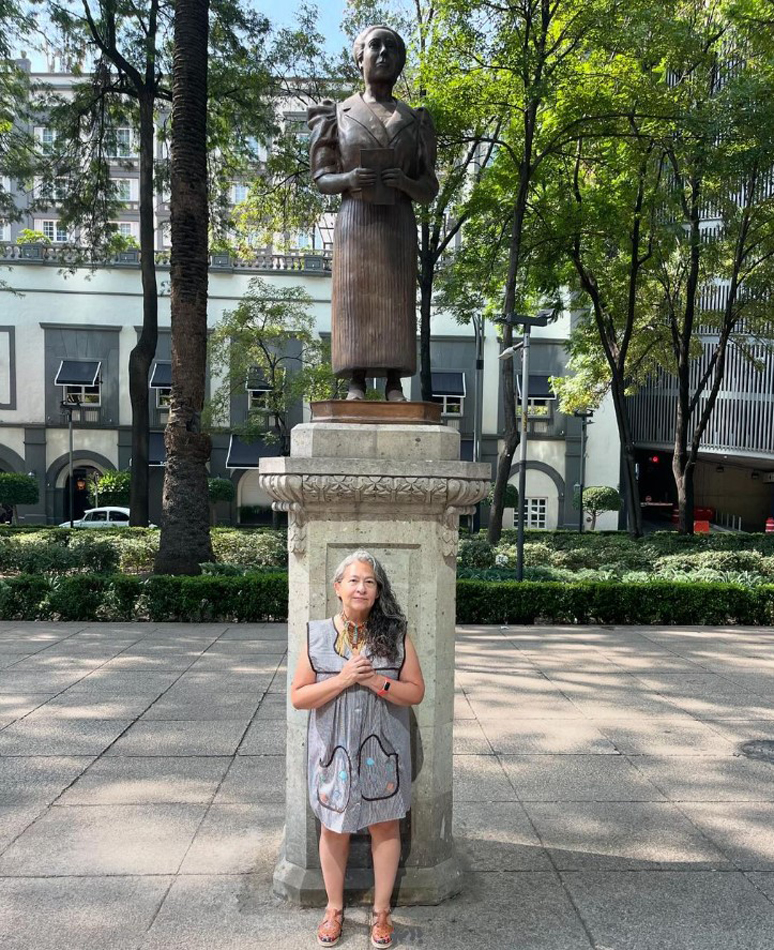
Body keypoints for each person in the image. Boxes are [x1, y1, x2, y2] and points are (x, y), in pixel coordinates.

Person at [290, 550, 425, 948]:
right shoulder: (316, 634)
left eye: (369, 581)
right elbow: (299, 696)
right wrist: (345, 677)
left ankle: (381, 913)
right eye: (353, 580)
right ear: (338, 588)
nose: (361, 587)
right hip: (334, 751)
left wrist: (376, 683)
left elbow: (415, 691)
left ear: (377, 589)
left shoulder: (395, 633)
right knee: (335, 827)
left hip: (382, 749)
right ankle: (334, 908)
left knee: (384, 824)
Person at [307, 25, 439, 402]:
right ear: (359, 57)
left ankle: (395, 381)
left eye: (392, 49)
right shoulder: (338, 114)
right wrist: (350, 177)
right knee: (353, 301)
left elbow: (429, 186)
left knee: (397, 300)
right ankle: (356, 381)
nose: (383, 54)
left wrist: (405, 183)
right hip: (356, 223)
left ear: (400, 62)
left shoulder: (415, 120)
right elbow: (321, 177)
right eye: (375, 46)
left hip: (397, 222)